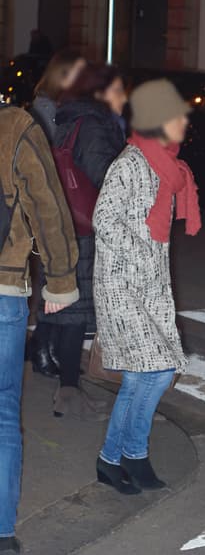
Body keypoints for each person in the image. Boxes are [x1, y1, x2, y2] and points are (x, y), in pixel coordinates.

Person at [93, 79, 201, 494]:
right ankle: (134, 455)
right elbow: (105, 220)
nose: (183, 124)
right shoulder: (132, 163)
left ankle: (109, 460)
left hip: (150, 287)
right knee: (156, 372)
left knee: (143, 377)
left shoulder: (167, 166)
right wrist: (138, 248)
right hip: (121, 287)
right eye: (177, 117)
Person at [1, 102, 78, 555]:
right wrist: (61, 280)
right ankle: (2, 534)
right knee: (4, 410)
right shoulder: (15, 126)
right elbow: (48, 206)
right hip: (4, 288)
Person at [47, 64, 126, 419]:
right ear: (100, 92)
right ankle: (68, 392)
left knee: (71, 310)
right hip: (85, 228)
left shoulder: (71, 120)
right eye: (118, 90)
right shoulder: (93, 126)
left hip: (67, 223)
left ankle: (69, 389)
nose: (124, 97)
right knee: (75, 314)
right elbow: (106, 176)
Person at [27, 50, 87, 379]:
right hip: (52, 200)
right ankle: (42, 345)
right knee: (57, 274)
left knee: (58, 275)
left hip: (62, 197)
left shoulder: (56, 105)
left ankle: (42, 343)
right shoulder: (45, 107)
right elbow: (49, 153)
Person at [30, 50, 86, 142]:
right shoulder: (45, 107)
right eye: (79, 72)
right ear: (62, 75)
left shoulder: (72, 101)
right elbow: (56, 145)